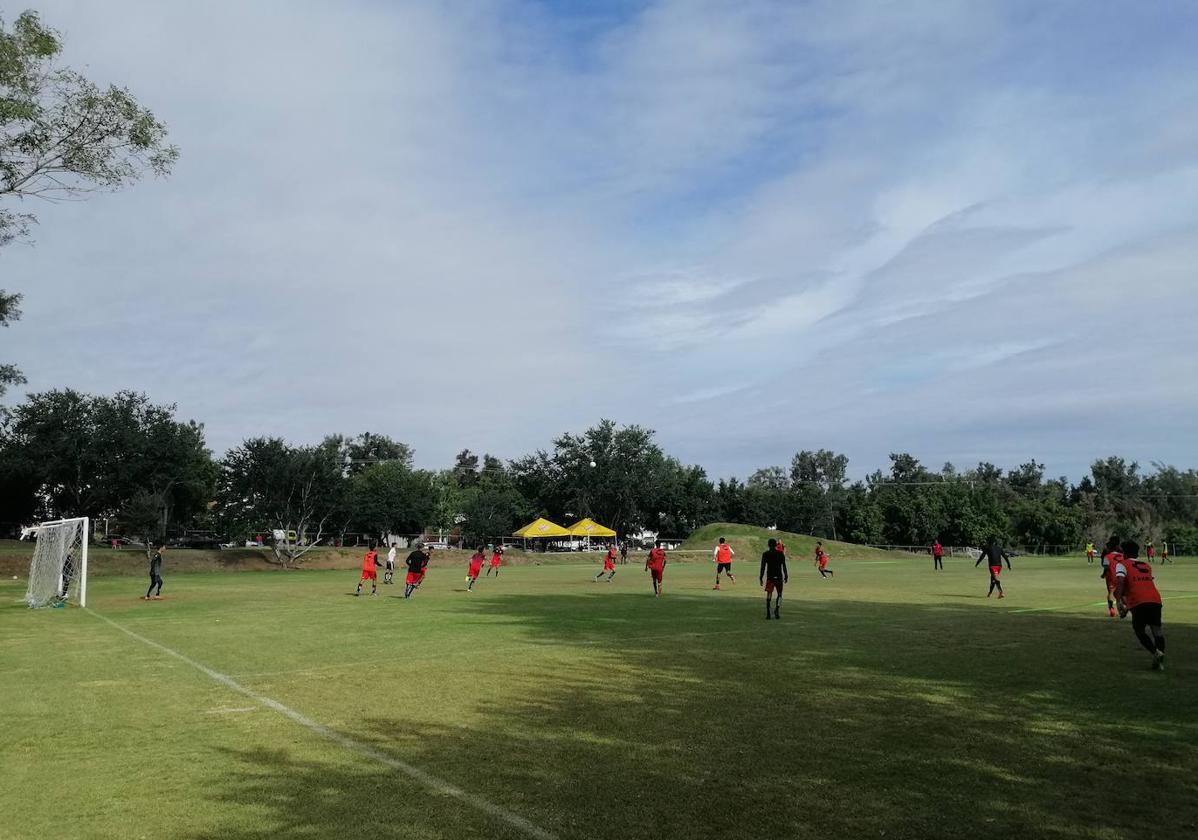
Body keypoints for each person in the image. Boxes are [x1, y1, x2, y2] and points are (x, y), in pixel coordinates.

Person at [1114, 540, 1166, 671]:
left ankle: (1156, 653)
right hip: (1155, 600)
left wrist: (1119, 601)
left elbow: (1120, 583)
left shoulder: (1122, 564)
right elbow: (1142, 584)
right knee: (1157, 631)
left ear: (1124, 553)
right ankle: (1159, 660)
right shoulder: (1146, 565)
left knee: (1139, 630)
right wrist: (1126, 607)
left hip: (1139, 601)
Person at [760, 538, 788, 620]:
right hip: (779, 576)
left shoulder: (765, 554)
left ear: (768, 545)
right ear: (776, 545)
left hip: (770, 577)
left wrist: (761, 577)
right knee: (779, 594)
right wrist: (786, 575)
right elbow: (784, 566)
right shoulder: (780, 554)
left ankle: (768, 613)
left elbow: (763, 567)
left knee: (769, 594)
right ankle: (777, 610)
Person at [1100, 535, 1122, 618]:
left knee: (1111, 592)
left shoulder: (1106, 553)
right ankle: (1122, 609)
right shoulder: (1122, 553)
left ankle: (1111, 608)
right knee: (1122, 593)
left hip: (1111, 574)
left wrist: (1104, 573)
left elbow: (1105, 565)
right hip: (1120, 574)